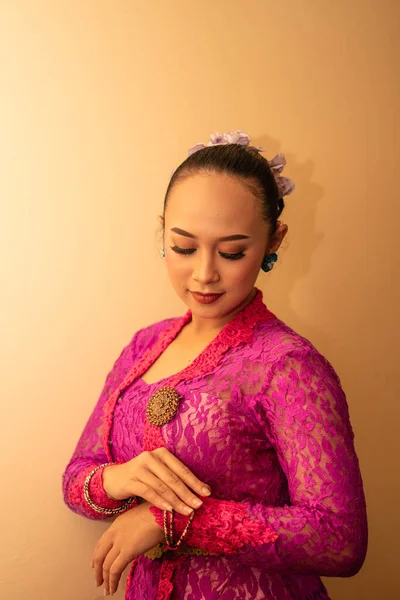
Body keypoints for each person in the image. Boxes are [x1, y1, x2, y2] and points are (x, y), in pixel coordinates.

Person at [62, 130, 367, 600]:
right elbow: (77, 475)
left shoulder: (289, 366)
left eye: (231, 252)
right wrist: (117, 479)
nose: (204, 273)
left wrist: (172, 521)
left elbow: (340, 539)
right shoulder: (144, 345)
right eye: (184, 247)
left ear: (273, 241)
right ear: (162, 231)